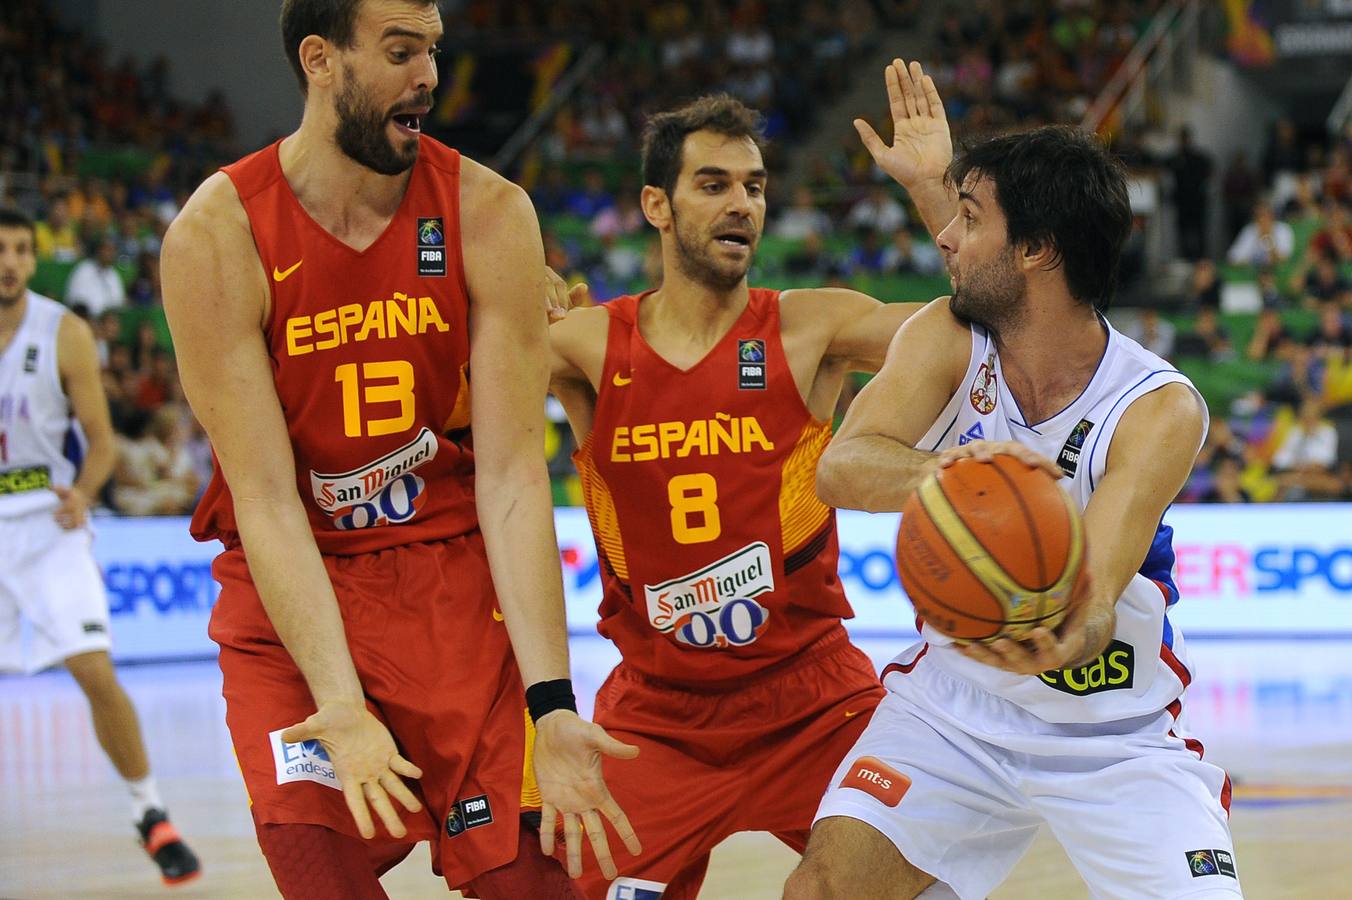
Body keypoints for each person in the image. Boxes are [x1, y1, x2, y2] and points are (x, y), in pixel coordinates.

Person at [158, 2, 637, 897]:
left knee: (536, 883)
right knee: (321, 874)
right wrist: (337, 698)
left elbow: (509, 479)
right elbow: (263, 499)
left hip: (453, 591)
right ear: (320, 60)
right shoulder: (216, 235)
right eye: (401, 51)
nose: (429, 76)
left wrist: (554, 703)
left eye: (434, 52)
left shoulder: (489, 211)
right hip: (293, 600)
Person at [784, 125, 1241, 897]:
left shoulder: (1157, 408)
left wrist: (1056, 636)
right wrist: (973, 479)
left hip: (1112, 731)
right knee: (824, 888)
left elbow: (1093, 606)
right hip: (954, 709)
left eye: (967, 217)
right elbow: (841, 468)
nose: (943, 237)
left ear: (1036, 249)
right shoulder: (945, 336)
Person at [547, 61, 953, 899]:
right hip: (656, 717)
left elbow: (977, 331)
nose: (743, 204)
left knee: (924, 881)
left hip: (810, 699)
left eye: (755, 187)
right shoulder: (587, 347)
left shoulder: (812, 327)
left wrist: (937, 193)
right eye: (714, 184)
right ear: (657, 206)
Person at [0, 205, 200, 885]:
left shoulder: (64, 331)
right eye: (2, 248)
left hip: (47, 518)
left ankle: (152, 814)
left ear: (33, 257)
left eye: (23, 249)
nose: (11, 262)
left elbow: (101, 438)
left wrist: (85, 492)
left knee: (93, 669)